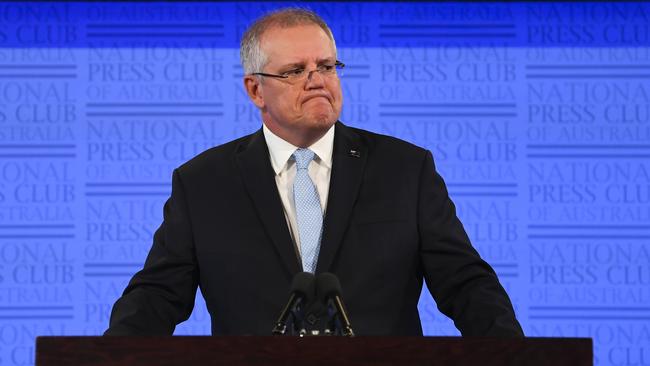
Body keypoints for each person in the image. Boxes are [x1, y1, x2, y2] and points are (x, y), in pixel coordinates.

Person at [105, 8, 523, 337]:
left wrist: (516, 356)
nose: (317, 80)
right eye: (294, 71)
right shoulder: (203, 183)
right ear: (255, 90)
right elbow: (158, 296)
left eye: (326, 66)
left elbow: (466, 283)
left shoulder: (405, 169)